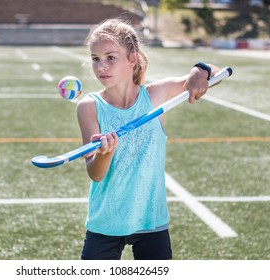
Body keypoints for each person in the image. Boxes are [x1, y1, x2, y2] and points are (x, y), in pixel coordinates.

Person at [76, 18, 220, 260]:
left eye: (111, 57)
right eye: (95, 59)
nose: (101, 66)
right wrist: (105, 153)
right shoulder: (89, 107)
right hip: (105, 222)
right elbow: (95, 174)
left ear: (132, 58)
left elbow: (216, 73)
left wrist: (199, 70)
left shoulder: (156, 95)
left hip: (151, 219)